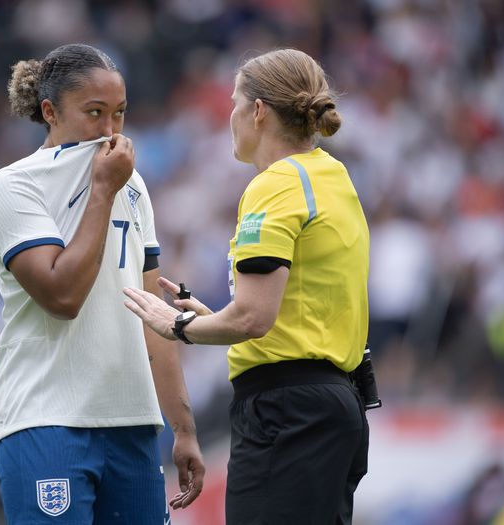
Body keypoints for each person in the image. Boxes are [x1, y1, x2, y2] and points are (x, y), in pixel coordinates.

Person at [123, 48, 370, 524]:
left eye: (235, 103)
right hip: (335, 405)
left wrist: (177, 324)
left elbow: (255, 318)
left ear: (258, 111)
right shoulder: (331, 175)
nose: (230, 116)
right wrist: (215, 318)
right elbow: (298, 308)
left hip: (287, 413)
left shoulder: (274, 184)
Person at [0, 43, 204, 524]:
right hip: (46, 419)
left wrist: (182, 426)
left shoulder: (134, 185)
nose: (109, 131)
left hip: (132, 422)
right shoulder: (14, 186)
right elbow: (63, 297)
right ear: (50, 112)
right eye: (94, 113)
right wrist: (103, 189)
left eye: (119, 114)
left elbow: (154, 315)